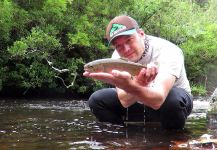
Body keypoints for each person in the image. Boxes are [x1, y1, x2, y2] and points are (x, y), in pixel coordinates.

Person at [83, 15, 193, 129]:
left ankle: (172, 142)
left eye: (129, 40)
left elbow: (158, 100)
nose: (126, 49)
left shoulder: (169, 51)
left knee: (173, 100)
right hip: (141, 104)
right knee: (97, 100)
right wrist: (139, 84)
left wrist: (136, 85)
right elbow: (124, 101)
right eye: (119, 46)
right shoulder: (117, 58)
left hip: (169, 104)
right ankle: (121, 141)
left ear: (141, 34)